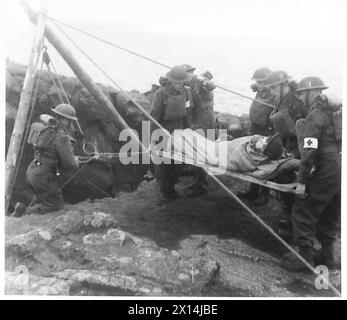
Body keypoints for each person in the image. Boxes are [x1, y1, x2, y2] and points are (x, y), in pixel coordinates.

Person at [286, 77, 341, 272]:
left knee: (303, 211)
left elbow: (309, 152)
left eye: (302, 94)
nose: (301, 98)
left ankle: (305, 260)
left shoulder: (315, 116)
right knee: (330, 212)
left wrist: (302, 181)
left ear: (312, 93)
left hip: (324, 167)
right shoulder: (336, 113)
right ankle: (328, 257)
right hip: (339, 167)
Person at [23, 104, 80, 215]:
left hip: (32, 171)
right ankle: (26, 212)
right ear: (66, 120)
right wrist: (75, 160)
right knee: (55, 205)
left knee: (42, 198)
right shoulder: (61, 136)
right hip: (43, 176)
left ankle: (21, 210)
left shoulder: (46, 129)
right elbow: (70, 164)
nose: (70, 124)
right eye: (70, 121)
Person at [151, 65, 191, 200]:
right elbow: (154, 117)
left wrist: (187, 130)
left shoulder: (186, 92)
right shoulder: (161, 94)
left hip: (179, 129)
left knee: (177, 161)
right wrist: (154, 137)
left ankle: (172, 188)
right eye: (175, 82)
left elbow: (187, 112)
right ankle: (163, 191)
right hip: (164, 129)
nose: (178, 85)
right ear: (170, 81)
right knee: (164, 163)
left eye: (180, 82)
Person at [238, 67, 275, 204]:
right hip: (256, 129)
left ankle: (264, 194)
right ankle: (253, 190)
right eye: (258, 82)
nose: (259, 84)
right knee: (254, 161)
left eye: (262, 82)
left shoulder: (273, 95)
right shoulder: (260, 91)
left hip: (267, 132)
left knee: (264, 163)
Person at [181, 64, 217, 197]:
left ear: (190, 73)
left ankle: (200, 185)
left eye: (187, 74)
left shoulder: (199, 82)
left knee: (201, 151)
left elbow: (212, 86)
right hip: (198, 119)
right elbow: (189, 105)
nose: (185, 78)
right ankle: (200, 181)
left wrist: (204, 81)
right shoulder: (188, 86)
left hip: (206, 119)